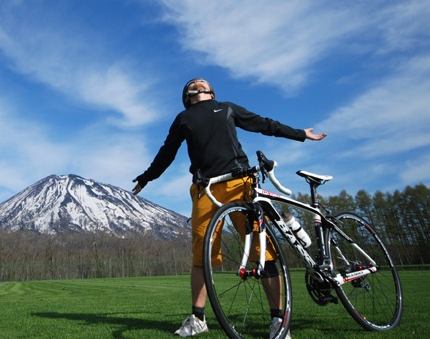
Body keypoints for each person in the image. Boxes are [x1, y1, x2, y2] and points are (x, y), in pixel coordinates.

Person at [131, 78, 326, 338]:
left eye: (204, 82)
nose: (199, 82)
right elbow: (166, 153)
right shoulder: (183, 118)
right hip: (205, 189)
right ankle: (197, 318)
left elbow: (264, 124)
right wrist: (146, 177)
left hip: (240, 184)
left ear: (211, 92)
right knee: (201, 254)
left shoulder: (226, 108)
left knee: (262, 250)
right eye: (194, 83)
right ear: (187, 96)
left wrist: (300, 134)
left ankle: (278, 321)